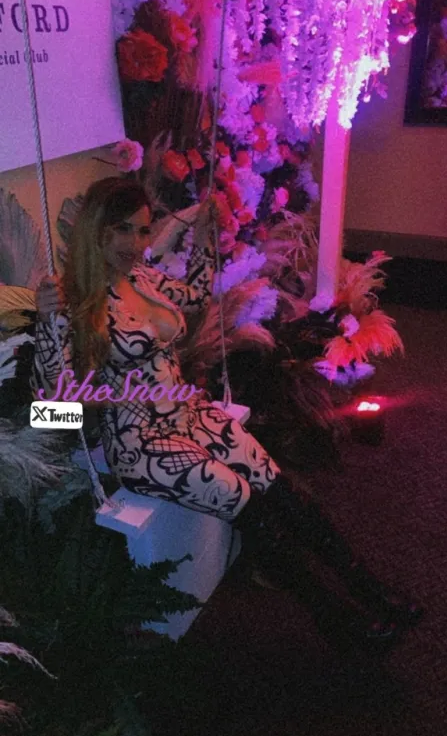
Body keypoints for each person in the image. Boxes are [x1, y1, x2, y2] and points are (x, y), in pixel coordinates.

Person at [32, 177, 422, 654]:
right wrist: (49, 324)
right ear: (96, 230)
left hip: (189, 412)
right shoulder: (71, 303)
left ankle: (371, 590)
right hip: (140, 440)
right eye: (121, 230)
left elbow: (196, 296)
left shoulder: (142, 278)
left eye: (142, 230)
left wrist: (204, 242)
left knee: (280, 489)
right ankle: (336, 619)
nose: (134, 243)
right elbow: (47, 411)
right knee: (246, 502)